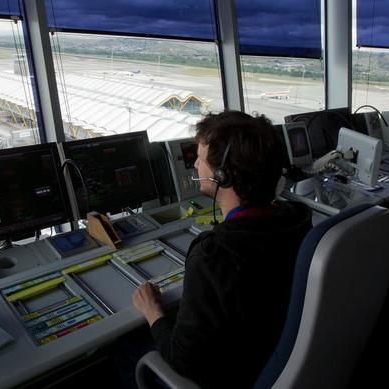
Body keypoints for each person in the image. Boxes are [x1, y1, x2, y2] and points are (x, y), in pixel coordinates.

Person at [132, 111, 313, 388]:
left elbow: (182, 360)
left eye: (200, 159)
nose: (194, 165)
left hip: (235, 374)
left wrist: (153, 312)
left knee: (125, 353)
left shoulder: (213, 255)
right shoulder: (298, 219)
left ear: (223, 175)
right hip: (275, 355)